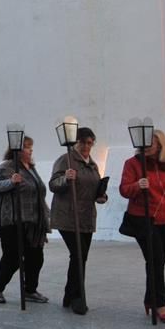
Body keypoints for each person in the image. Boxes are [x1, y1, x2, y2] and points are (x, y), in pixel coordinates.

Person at [119, 129, 165, 322]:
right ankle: (160, 304)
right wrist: (137, 186)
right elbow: (124, 190)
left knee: (158, 262)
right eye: (144, 142)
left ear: (160, 145)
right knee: (155, 259)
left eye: (151, 143)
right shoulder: (132, 164)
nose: (146, 146)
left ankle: (150, 299)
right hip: (142, 219)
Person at [50, 127, 108, 315]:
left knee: (81, 257)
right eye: (82, 142)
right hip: (67, 216)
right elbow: (53, 184)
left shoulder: (92, 165)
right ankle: (77, 298)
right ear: (76, 143)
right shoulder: (65, 160)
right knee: (78, 255)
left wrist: (101, 196)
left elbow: (93, 188)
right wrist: (65, 179)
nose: (86, 146)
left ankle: (69, 295)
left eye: (90, 143)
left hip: (86, 217)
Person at [0, 136, 50, 305]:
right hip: (10, 220)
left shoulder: (31, 168)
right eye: (27, 147)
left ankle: (30, 290)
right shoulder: (7, 166)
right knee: (13, 257)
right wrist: (11, 181)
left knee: (36, 256)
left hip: (33, 221)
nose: (31, 151)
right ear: (18, 149)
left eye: (31, 147)